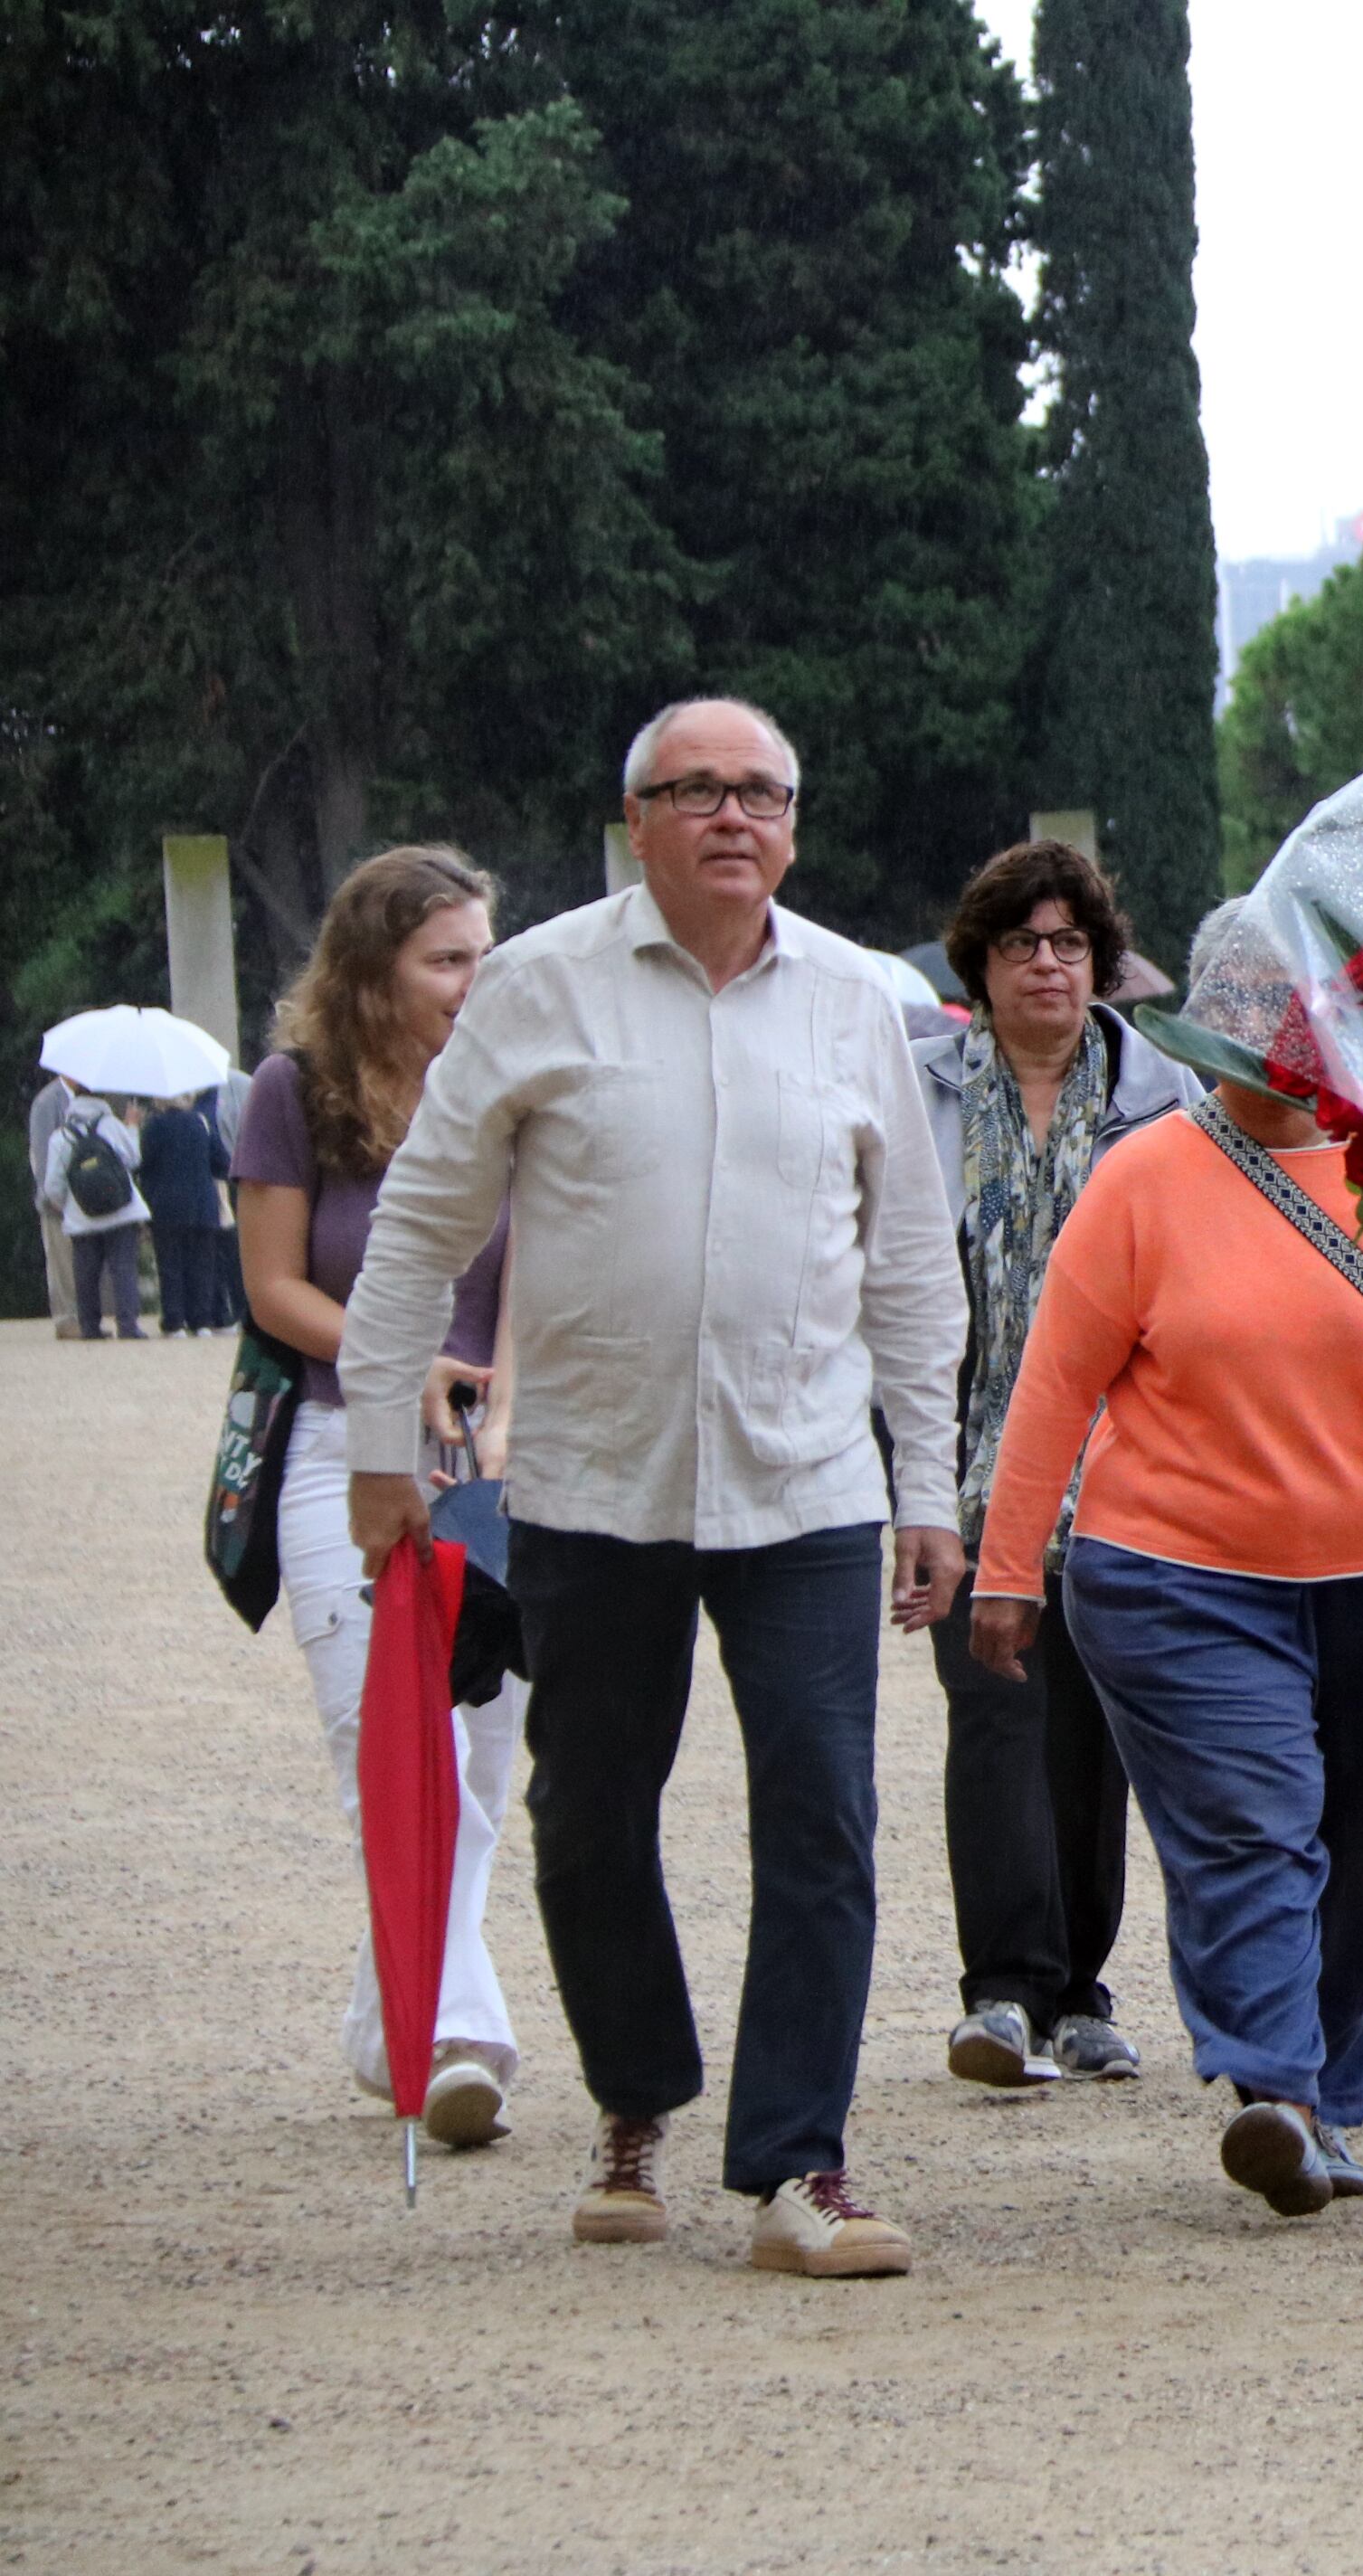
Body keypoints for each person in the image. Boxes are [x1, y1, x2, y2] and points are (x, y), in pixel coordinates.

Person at [342, 696, 968, 2279]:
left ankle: (796, 2164)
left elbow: (909, 1264)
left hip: (806, 1474)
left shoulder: (854, 1003)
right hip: (594, 1477)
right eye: (696, 790)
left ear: (796, 823)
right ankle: (634, 2100)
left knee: (822, 1811)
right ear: (638, 820)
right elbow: (418, 1227)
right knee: (588, 1814)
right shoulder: (539, 984)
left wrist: (930, 1483)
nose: (733, 817)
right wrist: (374, 1461)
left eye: (762, 791)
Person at [971, 902, 1363, 2220]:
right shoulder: (1142, 1176)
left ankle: (1328, 2094)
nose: (1272, 1059)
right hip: (1175, 1571)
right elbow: (1053, 1386)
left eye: (1297, 1030)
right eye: (1247, 1034)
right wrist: (1009, 1566)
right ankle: (1277, 2090)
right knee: (1255, 1828)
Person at [236, 847, 526, 2146]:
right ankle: (459, 2027)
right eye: (446, 959)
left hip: (497, 1458)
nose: (475, 983)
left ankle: (386, 2013)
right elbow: (274, 1286)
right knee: (393, 1746)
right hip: (339, 1440)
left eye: (484, 955)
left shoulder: (512, 1088)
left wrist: (506, 1400)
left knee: (484, 1756)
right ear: (371, 973)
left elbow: (542, 1269)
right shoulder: (290, 1095)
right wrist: (401, 1366)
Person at [910, 838, 1197, 2092]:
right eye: (1022, 942)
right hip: (967, 1460)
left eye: (1070, 943)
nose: (1047, 963)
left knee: (1094, 1736)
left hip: (1124, 1464)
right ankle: (1002, 1991)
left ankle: (1080, 1986)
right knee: (993, 1716)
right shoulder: (917, 1094)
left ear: (1101, 963)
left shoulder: (1162, 1097)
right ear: (978, 962)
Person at [49, 1086, 150, 1340]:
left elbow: (53, 1185)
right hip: (121, 1211)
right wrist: (132, 1128)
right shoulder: (112, 1125)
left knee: (86, 1274)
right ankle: (128, 1325)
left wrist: (69, 1205)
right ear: (102, 1098)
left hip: (82, 1216)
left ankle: (90, 1327)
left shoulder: (61, 1136)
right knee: (123, 1269)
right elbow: (133, 1158)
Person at [140, 1086, 232, 1335]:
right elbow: (222, 1163)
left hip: (166, 1204)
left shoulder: (154, 1127)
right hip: (203, 1202)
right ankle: (201, 1321)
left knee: (170, 1264)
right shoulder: (201, 1123)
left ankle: (174, 1320)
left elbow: (146, 1166)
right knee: (202, 1264)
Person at [32, 1073, 83, 1339]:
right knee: (61, 1261)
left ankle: (84, 1316)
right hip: (56, 1198)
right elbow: (41, 1154)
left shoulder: (84, 1097)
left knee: (81, 1261)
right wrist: (50, 1195)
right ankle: (66, 1319)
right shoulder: (47, 1102)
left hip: (83, 1197)